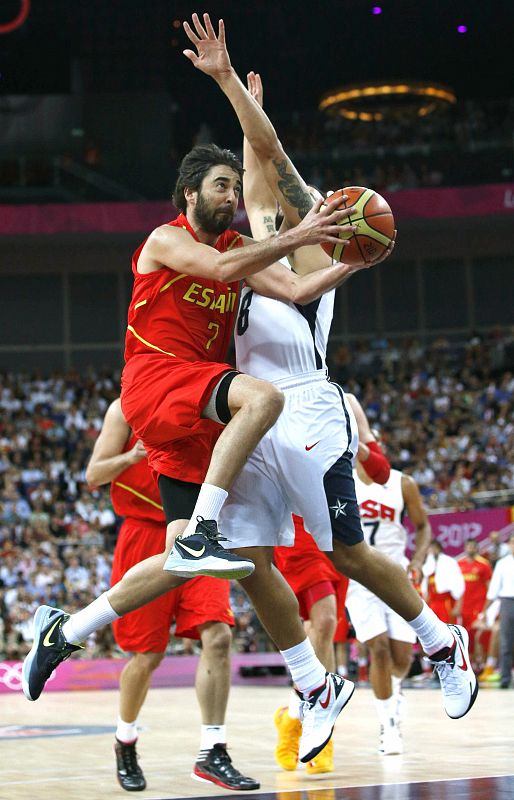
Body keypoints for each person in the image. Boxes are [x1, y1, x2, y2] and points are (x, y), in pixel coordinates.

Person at [22, 100, 363, 768]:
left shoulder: (240, 244)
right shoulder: (166, 239)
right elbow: (220, 273)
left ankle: (66, 630)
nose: (232, 196)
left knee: (240, 560)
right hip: (157, 380)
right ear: (188, 195)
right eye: (220, 186)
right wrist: (300, 232)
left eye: (236, 187)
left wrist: (357, 258)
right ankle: (207, 527)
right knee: (260, 397)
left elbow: (294, 291)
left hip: (196, 412)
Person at [186, 11, 477, 746]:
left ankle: (442, 642)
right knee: (245, 557)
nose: (288, 194)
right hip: (252, 413)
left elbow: (272, 154)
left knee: (347, 552)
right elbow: (258, 153)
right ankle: (315, 684)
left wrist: (226, 81)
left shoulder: (321, 241)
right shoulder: (259, 236)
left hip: (308, 407)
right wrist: (236, 97)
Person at [85, 398, 258, 792]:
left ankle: (213, 750)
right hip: (143, 534)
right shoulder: (123, 410)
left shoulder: (210, 399)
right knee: (147, 656)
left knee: (219, 635)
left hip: (196, 531)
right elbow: (94, 474)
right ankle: (125, 740)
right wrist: (132, 455)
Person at [273, 396, 391, 774]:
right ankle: (317, 725)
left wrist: (356, 446)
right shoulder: (269, 394)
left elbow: (381, 473)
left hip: (336, 519)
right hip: (294, 524)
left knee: (320, 629)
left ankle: (294, 715)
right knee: (322, 621)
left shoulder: (347, 402)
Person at [346, 460, 431, 755]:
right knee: (378, 648)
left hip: (397, 573)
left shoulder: (402, 483)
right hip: (358, 579)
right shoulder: (341, 479)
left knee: (402, 657)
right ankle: (389, 726)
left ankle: (395, 689)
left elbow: (423, 527)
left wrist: (418, 560)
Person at [481, 532, 514, 688]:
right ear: (509, 545)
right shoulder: (503, 563)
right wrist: (484, 610)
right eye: (512, 543)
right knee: (505, 641)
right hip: (507, 601)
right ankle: (505, 678)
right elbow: (493, 589)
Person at [458, 538, 493, 669]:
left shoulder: (484, 564)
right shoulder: (459, 564)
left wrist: (486, 609)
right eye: (468, 546)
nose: (470, 549)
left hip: (478, 606)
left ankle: (481, 663)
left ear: (477, 548)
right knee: (465, 636)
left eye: (473, 547)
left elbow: (490, 587)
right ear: (465, 548)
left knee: (478, 634)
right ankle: (469, 663)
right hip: (463, 607)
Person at [422, 540, 465, 624]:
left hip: (446, 602)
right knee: (432, 627)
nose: (431, 550)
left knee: (448, 627)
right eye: (430, 548)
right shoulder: (427, 565)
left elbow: (459, 584)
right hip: (432, 602)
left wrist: (458, 606)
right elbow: (425, 587)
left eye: (433, 548)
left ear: (438, 548)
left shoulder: (449, 562)